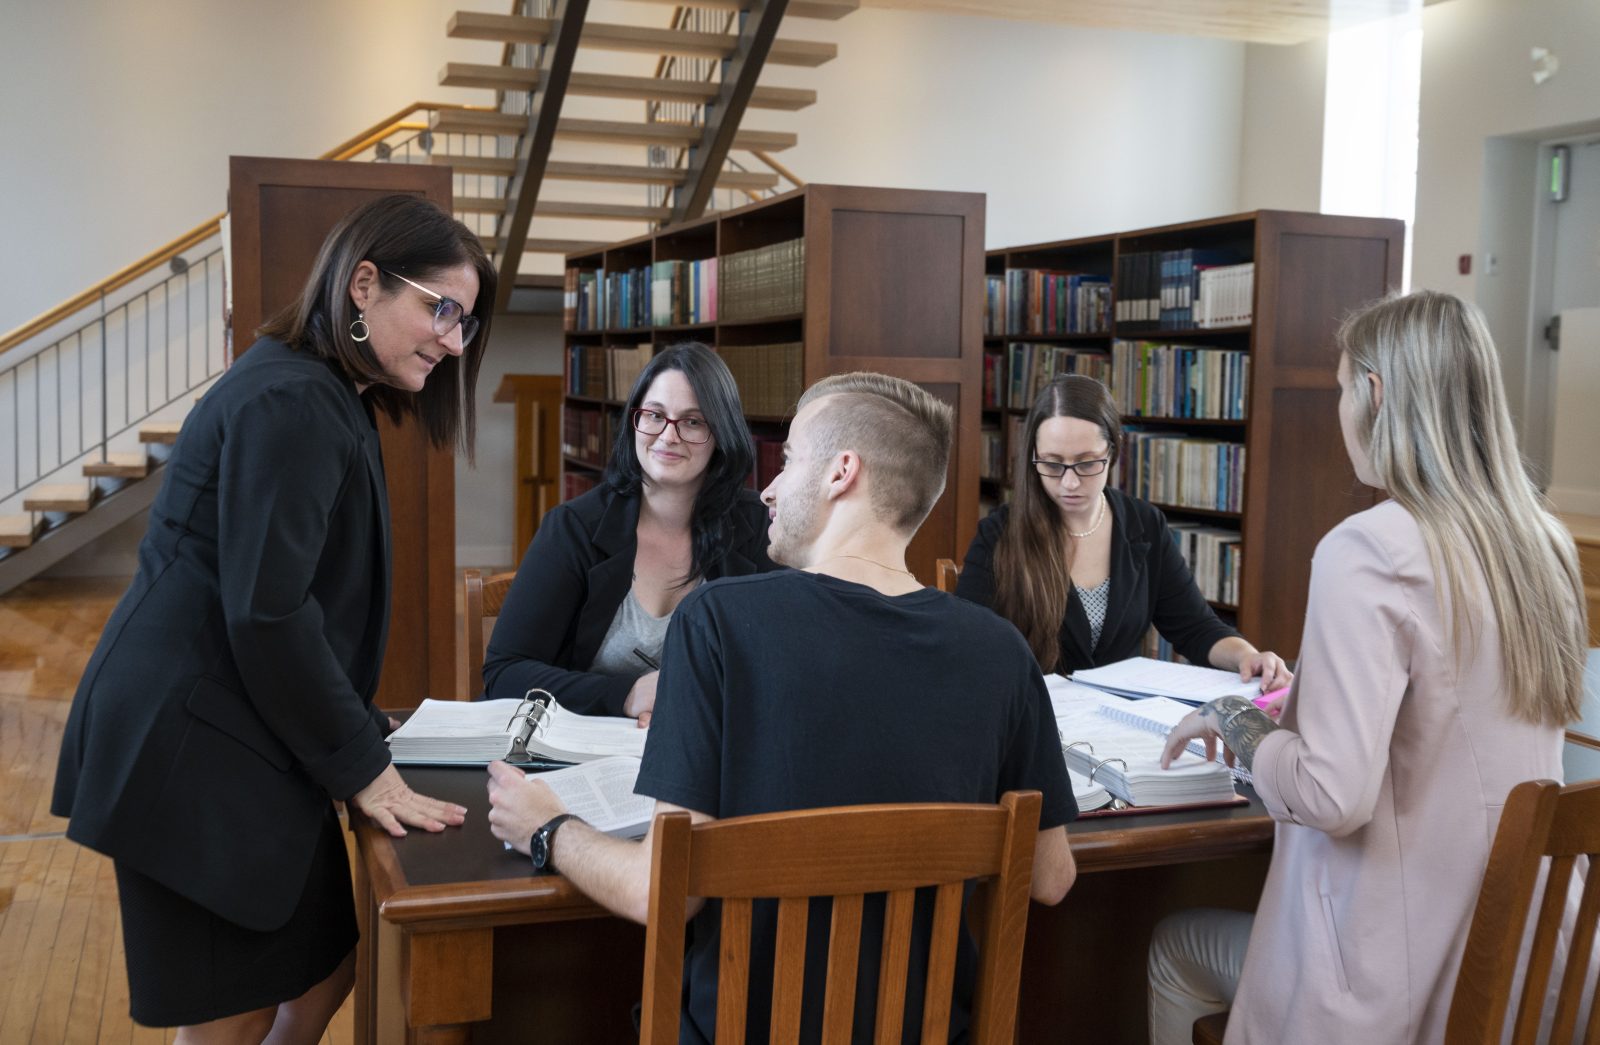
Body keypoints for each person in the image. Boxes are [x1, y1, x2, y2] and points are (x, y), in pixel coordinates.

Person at [486, 372, 1078, 1043]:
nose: (768, 486)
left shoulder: (717, 624)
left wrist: (547, 825)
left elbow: (667, 891)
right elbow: (1052, 877)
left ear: (839, 473)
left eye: (790, 459)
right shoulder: (1001, 653)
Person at [51, 194, 492, 1043]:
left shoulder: (322, 390)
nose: (451, 339)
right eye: (440, 309)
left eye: (464, 323)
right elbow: (270, 611)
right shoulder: (295, 400)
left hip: (236, 726)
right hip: (192, 743)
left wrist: (362, 735)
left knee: (325, 970)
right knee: (237, 1007)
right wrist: (365, 766)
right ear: (364, 284)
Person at [1146, 290, 1589, 1044]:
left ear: (1376, 395)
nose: (1341, 407)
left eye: (1343, 388)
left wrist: (1238, 720)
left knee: (1174, 946)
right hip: (1534, 975)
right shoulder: (1542, 545)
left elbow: (1330, 794)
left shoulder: (1370, 549)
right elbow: (1451, 717)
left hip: (1390, 990)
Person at [482, 341, 776, 723]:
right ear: (633, 420)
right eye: (654, 415)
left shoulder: (758, 527)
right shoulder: (574, 529)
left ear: (721, 434)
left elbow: (783, 661)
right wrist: (625, 694)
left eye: (693, 421)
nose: (668, 436)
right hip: (584, 750)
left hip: (708, 748)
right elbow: (505, 673)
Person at [955, 374, 1292, 694]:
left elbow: (1196, 628)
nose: (1069, 482)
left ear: (1113, 452)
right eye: (1052, 464)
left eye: (1087, 463)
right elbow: (969, 645)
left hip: (1118, 723)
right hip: (1032, 719)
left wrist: (1247, 657)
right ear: (1033, 457)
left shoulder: (1144, 525)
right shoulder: (999, 534)